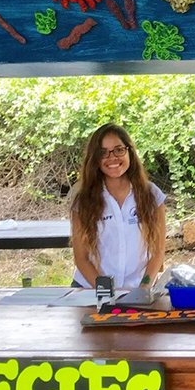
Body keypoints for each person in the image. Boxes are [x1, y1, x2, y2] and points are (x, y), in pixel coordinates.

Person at [70, 123, 166, 289]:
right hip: (91, 290)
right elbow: (81, 258)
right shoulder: (83, 199)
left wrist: (143, 289)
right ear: (95, 158)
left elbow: (158, 252)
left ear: (129, 152)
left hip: (138, 290)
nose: (112, 157)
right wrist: (106, 291)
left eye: (119, 150)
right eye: (103, 152)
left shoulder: (152, 195)